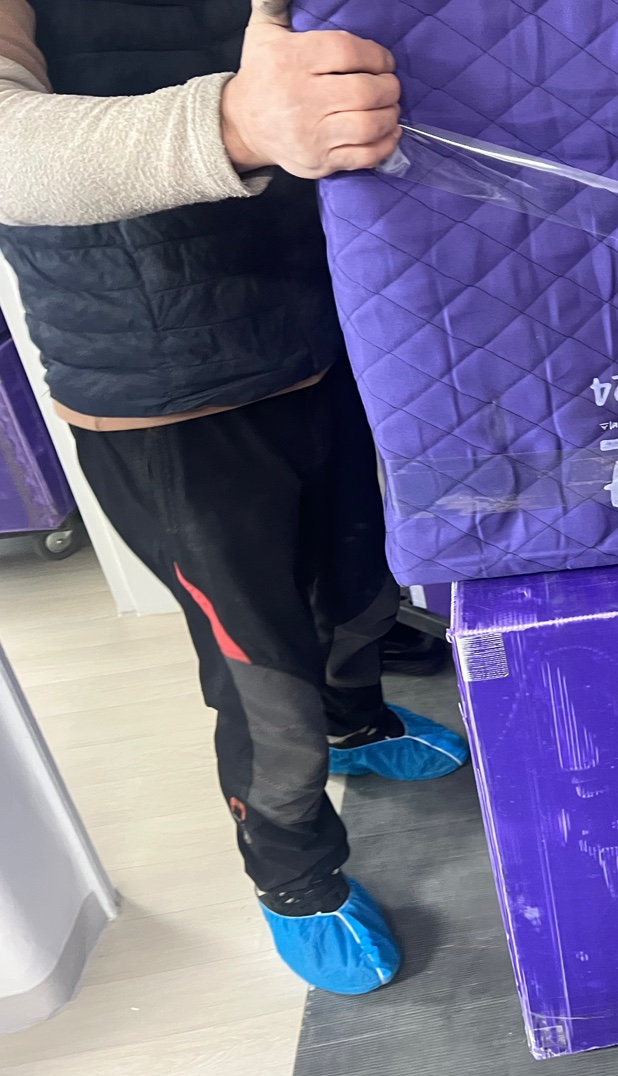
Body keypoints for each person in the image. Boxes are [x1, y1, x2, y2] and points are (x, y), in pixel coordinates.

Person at [0, 0, 469, 996]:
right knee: (264, 678)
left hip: (324, 328)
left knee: (361, 589)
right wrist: (234, 123)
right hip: (164, 393)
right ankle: (294, 875)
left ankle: (359, 722)